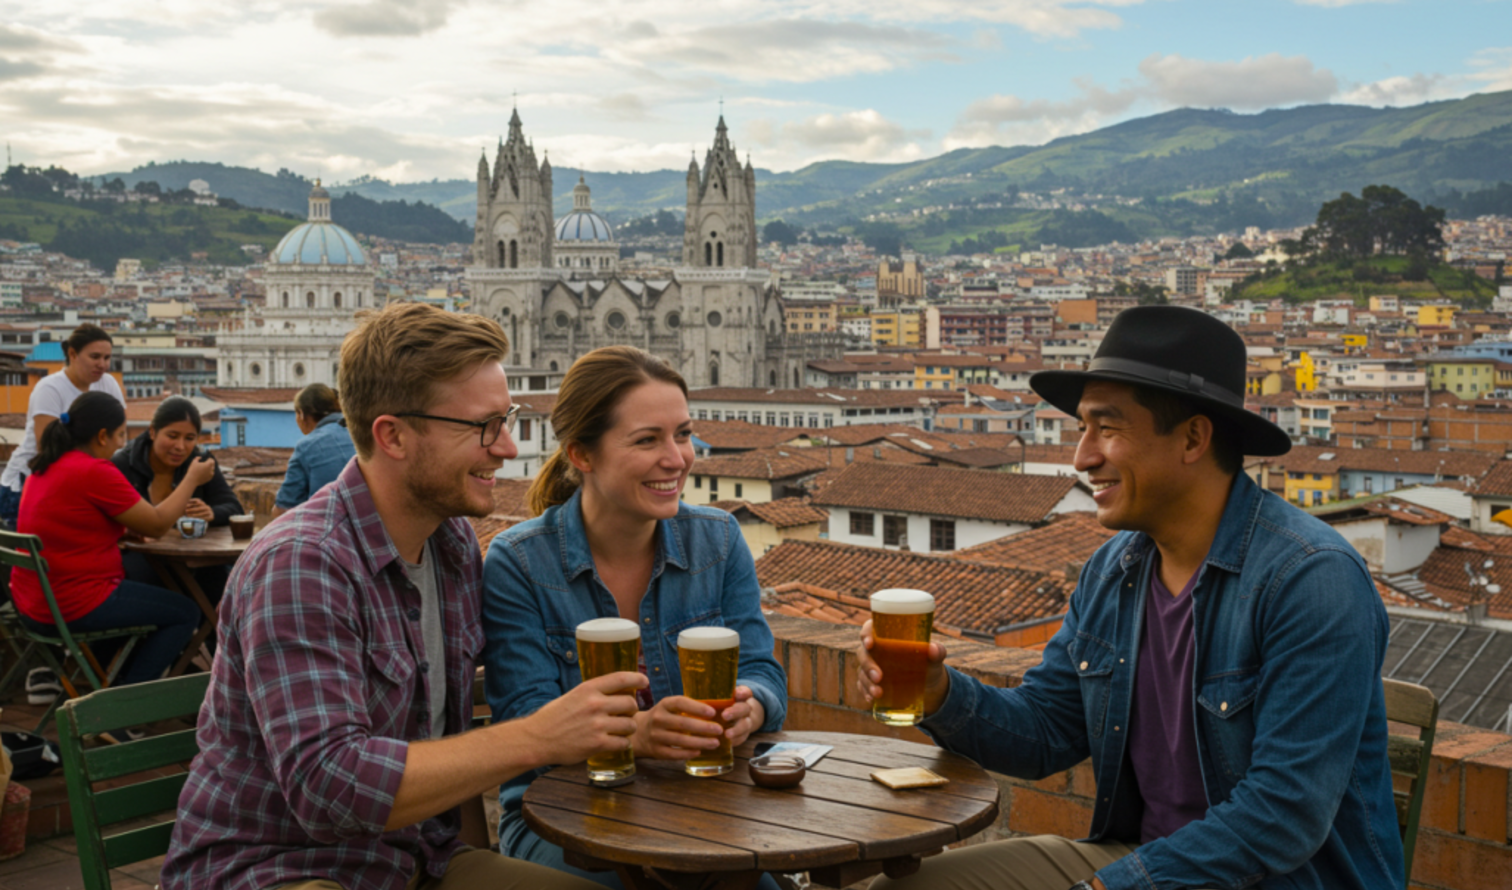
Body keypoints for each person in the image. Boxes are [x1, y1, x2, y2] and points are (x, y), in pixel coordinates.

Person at [857, 306, 1401, 890]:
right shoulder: (1115, 570)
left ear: (1193, 437)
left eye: (1107, 429)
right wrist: (941, 695)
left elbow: (1283, 816)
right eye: (1083, 428)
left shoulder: (1310, 578)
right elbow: (1047, 730)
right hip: (1142, 860)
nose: (1082, 456)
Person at [162, 302, 638, 890]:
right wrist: (535, 737)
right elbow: (328, 789)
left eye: (507, 418)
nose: (509, 448)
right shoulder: (302, 563)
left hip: (414, 860)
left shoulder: (453, 545)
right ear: (393, 435)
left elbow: (444, 745)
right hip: (275, 868)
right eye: (483, 426)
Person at [482, 345, 787, 888]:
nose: (677, 458)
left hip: (703, 811)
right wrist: (638, 735)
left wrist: (751, 708)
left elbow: (764, 671)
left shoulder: (718, 540)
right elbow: (525, 722)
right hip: (563, 820)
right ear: (582, 454)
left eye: (683, 434)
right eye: (647, 440)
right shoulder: (521, 562)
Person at [11, 391, 207, 688]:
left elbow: (70, 523)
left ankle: (104, 688)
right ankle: (128, 703)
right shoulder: (94, 470)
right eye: (119, 435)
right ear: (102, 436)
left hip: (32, 603)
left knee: (150, 596)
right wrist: (192, 478)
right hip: (73, 604)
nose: (121, 444)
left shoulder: (46, 465)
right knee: (186, 612)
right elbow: (156, 525)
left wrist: (120, 529)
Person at [113, 396, 244, 604]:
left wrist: (211, 513)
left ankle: (213, 634)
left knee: (220, 580)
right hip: (140, 557)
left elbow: (235, 509)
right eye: (172, 436)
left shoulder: (201, 463)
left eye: (190, 438)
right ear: (153, 431)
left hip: (195, 557)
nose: (180, 446)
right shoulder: (123, 464)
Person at [1, 323, 124, 526]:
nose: (102, 364)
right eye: (95, 357)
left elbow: (119, 433)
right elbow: (46, 448)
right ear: (73, 354)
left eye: (107, 358)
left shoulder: (108, 383)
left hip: (77, 480)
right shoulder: (49, 389)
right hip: (29, 483)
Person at [272, 383, 357, 517]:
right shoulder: (361, 433)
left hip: (330, 530)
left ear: (301, 414)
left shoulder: (307, 446)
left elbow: (283, 510)